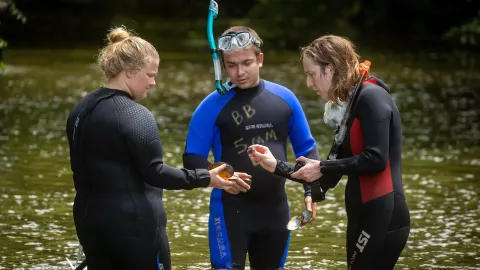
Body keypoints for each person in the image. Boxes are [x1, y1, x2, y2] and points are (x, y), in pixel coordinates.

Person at [65, 26, 248, 270]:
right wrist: (207, 178)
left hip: (90, 224)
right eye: (150, 74)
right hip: (136, 227)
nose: (154, 82)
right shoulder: (136, 116)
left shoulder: (81, 110)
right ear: (129, 71)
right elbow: (156, 173)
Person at [247, 35, 410, 269]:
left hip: (384, 214)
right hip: (365, 215)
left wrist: (321, 166)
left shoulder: (372, 97)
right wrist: (276, 165)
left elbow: (376, 159)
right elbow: (329, 175)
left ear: (330, 69)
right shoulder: (351, 107)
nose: (309, 83)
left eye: (311, 73)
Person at [183, 26, 320, 269]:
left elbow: (307, 151)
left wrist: (312, 193)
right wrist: (224, 176)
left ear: (260, 60)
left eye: (246, 62)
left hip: (275, 210)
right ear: (223, 66)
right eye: (232, 65)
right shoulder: (210, 107)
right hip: (229, 211)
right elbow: (192, 159)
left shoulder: (285, 99)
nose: (239, 72)